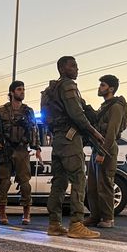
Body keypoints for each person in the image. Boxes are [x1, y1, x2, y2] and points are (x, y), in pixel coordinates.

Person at [42, 56, 104, 239]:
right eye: (73, 66)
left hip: (58, 139)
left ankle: (54, 224)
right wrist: (93, 132)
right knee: (78, 179)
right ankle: (77, 224)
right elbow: (76, 114)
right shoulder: (68, 85)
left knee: (59, 182)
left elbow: (46, 117)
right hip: (70, 139)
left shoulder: (49, 91)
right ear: (62, 68)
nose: (77, 69)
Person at [0, 80, 42, 225]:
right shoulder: (1, 111)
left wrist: (37, 148)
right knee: (4, 182)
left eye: (23, 89)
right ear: (11, 92)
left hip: (22, 149)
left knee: (25, 183)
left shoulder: (28, 111)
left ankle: (26, 213)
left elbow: (34, 130)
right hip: (6, 150)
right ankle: (2, 213)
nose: (22, 92)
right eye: (19, 89)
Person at [84, 75, 127, 228]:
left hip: (106, 149)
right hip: (97, 147)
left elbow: (112, 133)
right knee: (92, 186)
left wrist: (102, 153)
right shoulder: (104, 106)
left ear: (111, 89)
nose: (99, 88)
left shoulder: (116, 107)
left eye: (102, 85)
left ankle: (108, 218)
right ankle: (95, 216)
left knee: (105, 185)